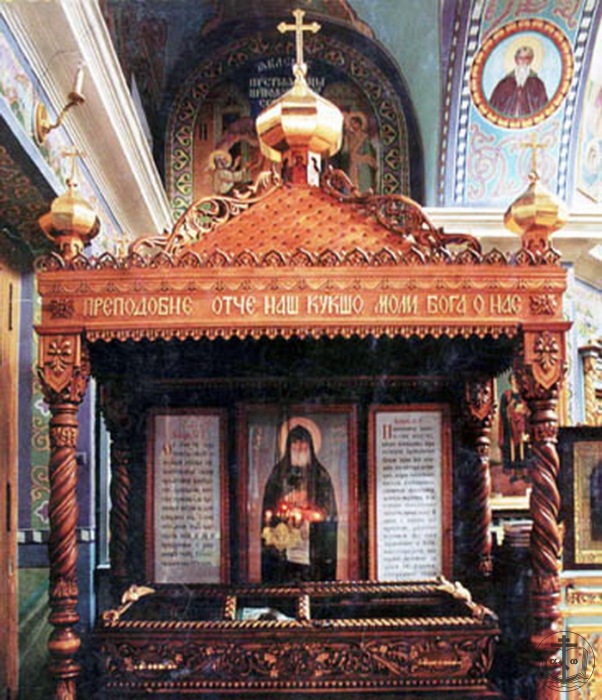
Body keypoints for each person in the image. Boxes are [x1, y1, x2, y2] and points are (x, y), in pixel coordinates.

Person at [261, 424, 337, 582]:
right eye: (295, 444)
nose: (299, 448)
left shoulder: (320, 475)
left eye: (303, 444)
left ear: (310, 446)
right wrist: (284, 508)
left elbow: (328, 511)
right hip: (284, 543)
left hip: (312, 542)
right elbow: (270, 507)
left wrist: (307, 512)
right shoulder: (278, 473)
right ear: (288, 447)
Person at [489, 45, 548, 118]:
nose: (523, 61)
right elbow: (494, 106)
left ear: (531, 60)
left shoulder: (538, 84)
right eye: (520, 58)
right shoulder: (504, 83)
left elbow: (543, 108)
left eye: (526, 58)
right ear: (516, 59)